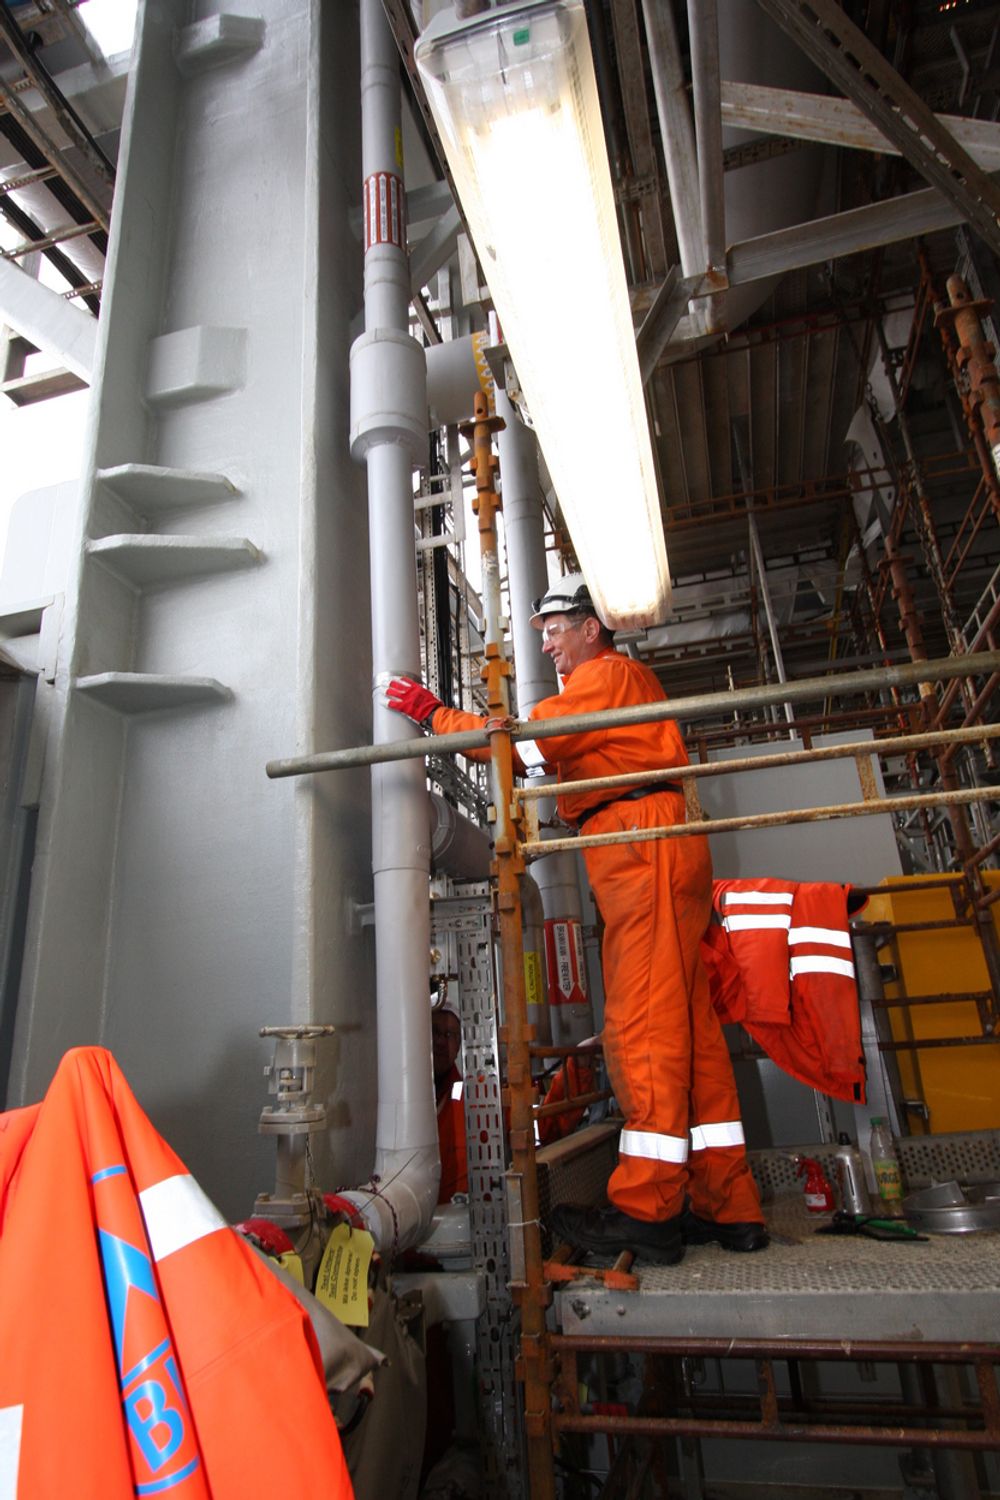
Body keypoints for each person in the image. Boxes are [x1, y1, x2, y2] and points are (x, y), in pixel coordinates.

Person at [386, 574, 766, 1264]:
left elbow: (523, 746)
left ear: (592, 627)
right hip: (660, 842)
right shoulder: (622, 687)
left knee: (642, 1026)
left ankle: (648, 1210)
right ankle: (727, 1202)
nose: (549, 646)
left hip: (639, 845)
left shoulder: (606, 676)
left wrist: (433, 716)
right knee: (690, 1028)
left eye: (555, 630)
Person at [432, 1003, 468, 1202]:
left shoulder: (475, 1101)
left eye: (449, 1035)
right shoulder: (397, 1095)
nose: (439, 1041)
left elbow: (543, 1128)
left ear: (458, 1048)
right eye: (434, 1031)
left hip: (456, 1223)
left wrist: (578, 1070)